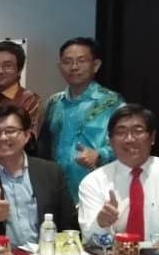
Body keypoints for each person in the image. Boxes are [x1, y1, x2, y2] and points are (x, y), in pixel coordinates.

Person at [0, 104, 77, 245]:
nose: (3, 137)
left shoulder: (51, 172)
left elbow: (69, 222)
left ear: (27, 135)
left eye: (10, 131)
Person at [78, 104, 159, 244]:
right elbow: (89, 240)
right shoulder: (93, 182)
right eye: (121, 133)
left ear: (152, 137)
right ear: (110, 140)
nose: (129, 139)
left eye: (138, 131)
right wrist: (101, 223)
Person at [39, 37, 125, 201]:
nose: (74, 67)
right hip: (55, 190)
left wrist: (99, 155)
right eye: (67, 61)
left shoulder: (112, 102)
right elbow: (43, 146)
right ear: (60, 67)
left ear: (96, 65)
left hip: (95, 189)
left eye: (81, 60)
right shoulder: (54, 102)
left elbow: (125, 143)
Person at [0, 40, 43, 138]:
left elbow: (30, 140)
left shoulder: (30, 100)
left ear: (19, 70)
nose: (0, 71)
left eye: (7, 65)